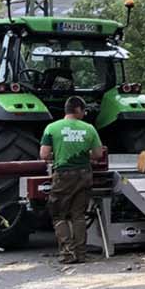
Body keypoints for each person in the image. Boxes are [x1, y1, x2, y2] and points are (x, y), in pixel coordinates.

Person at [40, 95, 105, 264]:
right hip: (84, 175)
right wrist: (87, 156)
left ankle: (67, 254)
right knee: (78, 215)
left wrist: (58, 154)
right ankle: (81, 254)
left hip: (63, 176)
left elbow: (44, 154)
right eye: (84, 110)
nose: (84, 114)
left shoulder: (52, 128)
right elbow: (98, 154)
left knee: (59, 215)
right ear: (78, 110)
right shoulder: (89, 128)